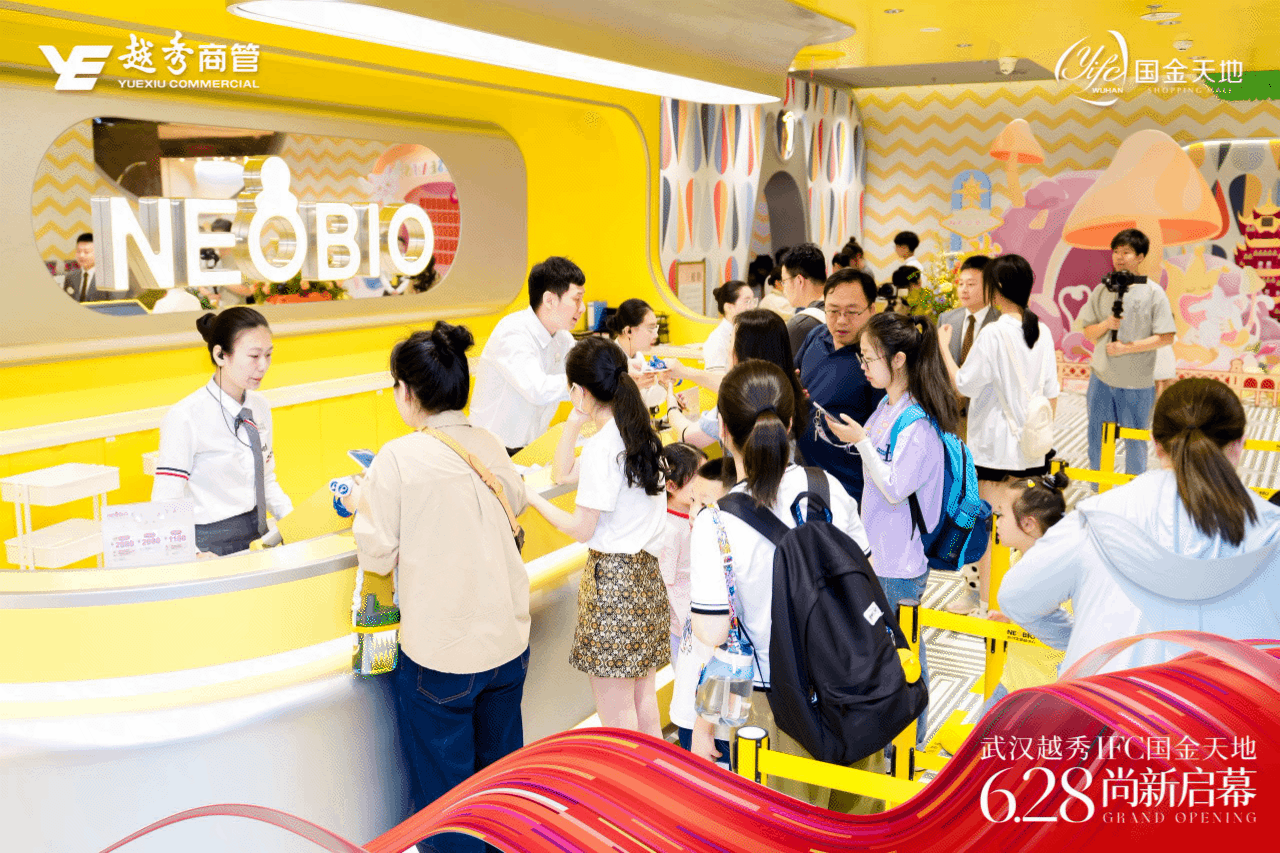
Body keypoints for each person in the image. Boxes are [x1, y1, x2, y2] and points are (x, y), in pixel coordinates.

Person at [352, 322, 530, 853]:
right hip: (507, 645)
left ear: (407, 392)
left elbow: (377, 552)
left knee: (449, 805)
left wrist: (363, 499)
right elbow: (516, 500)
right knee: (500, 791)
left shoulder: (397, 458)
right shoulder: (489, 444)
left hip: (440, 656)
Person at [683, 360, 880, 811]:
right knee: (857, 828)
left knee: (786, 829)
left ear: (723, 430)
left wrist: (704, 722)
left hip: (777, 705)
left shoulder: (715, 524)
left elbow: (714, 635)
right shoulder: (828, 489)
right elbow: (865, 582)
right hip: (853, 687)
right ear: (790, 423)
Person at [1000, 378, 1280, 674]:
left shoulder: (1097, 518)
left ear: (1155, 443)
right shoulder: (1272, 530)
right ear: (1239, 445)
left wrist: (1079, 642)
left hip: (1108, 694)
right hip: (1229, 698)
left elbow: (1017, 596)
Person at [823, 312, 957, 748]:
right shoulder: (886, 407)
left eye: (869, 358)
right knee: (889, 653)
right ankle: (891, 743)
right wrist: (852, 438)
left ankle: (910, 746)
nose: (863, 366)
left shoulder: (917, 423)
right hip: (880, 553)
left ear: (898, 360)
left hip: (901, 561)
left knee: (906, 657)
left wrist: (861, 442)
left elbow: (896, 487)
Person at [524, 336, 669, 735]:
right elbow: (562, 472)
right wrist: (575, 420)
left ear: (580, 390)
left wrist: (531, 499)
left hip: (613, 586)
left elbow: (580, 528)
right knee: (644, 705)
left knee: (617, 722)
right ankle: (655, 776)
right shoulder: (637, 432)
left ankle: (628, 779)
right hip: (646, 579)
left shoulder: (605, 446)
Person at [938, 253, 1060, 616]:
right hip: (1031, 449)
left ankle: (990, 605)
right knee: (1027, 528)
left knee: (990, 530)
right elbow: (1052, 390)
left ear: (998, 288)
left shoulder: (993, 332)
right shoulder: (1042, 330)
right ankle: (1030, 601)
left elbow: (964, 383)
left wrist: (943, 347)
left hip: (993, 451)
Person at [153, 308, 293, 556]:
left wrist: (294, 522)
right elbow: (166, 500)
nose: (263, 366)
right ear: (220, 355)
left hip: (258, 535)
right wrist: (193, 554)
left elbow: (266, 479)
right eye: (254, 356)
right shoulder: (185, 416)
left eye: (268, 355)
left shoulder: (260, 407)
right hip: (208, 546)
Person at [1078, 228, 1176, 476]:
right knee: (1097, 439)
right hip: (1101, 378)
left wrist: (1126, 348)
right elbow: (1088, 331)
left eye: (1127, 252)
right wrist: (1106, 324)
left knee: (1135, 442)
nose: (1119, 257)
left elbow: (1166, 336)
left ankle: (1135, 489)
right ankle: (1098, 489)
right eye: (1116, 252)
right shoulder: (1102, 290)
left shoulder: (1154, 292)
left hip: (1137, 383)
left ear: (1141, 257)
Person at [469, 256, 586, 454]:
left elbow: (586, 364)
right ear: (549, 300)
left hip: (529, 448)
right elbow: (538, 389)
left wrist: (622, 369)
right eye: (577, 299)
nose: (582, 308)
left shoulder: (562, 337)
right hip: (489, 450)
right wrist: (587, 383)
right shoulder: (513, 332)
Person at [980, 472, 1071, 714]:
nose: (996, 521)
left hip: (1046, 696)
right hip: (1012, 682)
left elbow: (1068, 635)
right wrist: (1010, 618)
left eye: (1002, 514)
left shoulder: (1059, 575)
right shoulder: (1019, 559)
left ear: (1028, 524)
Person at [795, 269, 885, 501]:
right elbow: (796, 378)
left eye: (852, 312)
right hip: (805, 477)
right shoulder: (816, 336)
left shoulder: (878, 359)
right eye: (833, 311)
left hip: (851, 488)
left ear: (872, 310)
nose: (841, 320)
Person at [668, 309, 807, 452]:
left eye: (731, 341)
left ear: (742, 353)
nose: (729, 349)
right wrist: (686, 372)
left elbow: (688, 435)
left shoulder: (737, 401)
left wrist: (672, 406)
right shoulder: (791, 387)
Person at [656, 442, 707, 662]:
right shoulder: (669, 529)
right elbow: (666, 583)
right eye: (696, 478)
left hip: (703, 611)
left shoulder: (696, 511)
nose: (704, 484)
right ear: (671, 485)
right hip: (685, 623)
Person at [937, 255, 997, 440]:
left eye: (971, 284)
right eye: (961, 283)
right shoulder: (947, 319)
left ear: (989, 286)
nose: (963, 289)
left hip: (987, 414)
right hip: (951, 413)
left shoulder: (999, 322)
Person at [780, 243, 829, 355]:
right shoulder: (843, 311)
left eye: (784, 281)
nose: (783, 289)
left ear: (799, 281)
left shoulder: (798, 326)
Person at [703, 281, 757, 371]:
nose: (752, 307)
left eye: (753, 301)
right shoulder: (716, 340)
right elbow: (717, 378)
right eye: (747, 301)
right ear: (728, 307)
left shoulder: (749, 331)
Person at [62, 232, 105, 303]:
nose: (81, 255)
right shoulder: (70, 277)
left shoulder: (106, 278)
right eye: (78, 251)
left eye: (86, 252)